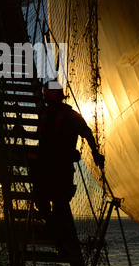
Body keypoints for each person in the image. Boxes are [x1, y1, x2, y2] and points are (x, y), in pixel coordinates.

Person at [32, 80, 105, 252]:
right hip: (51, 166)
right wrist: (94, 152)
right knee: (49, 202)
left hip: (57, 166)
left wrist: (95, 152)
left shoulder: (67, 115)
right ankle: (54, 231)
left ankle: (58, 239)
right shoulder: (50, 113)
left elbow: (86, 132)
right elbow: (86, 133)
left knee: (55, 203)